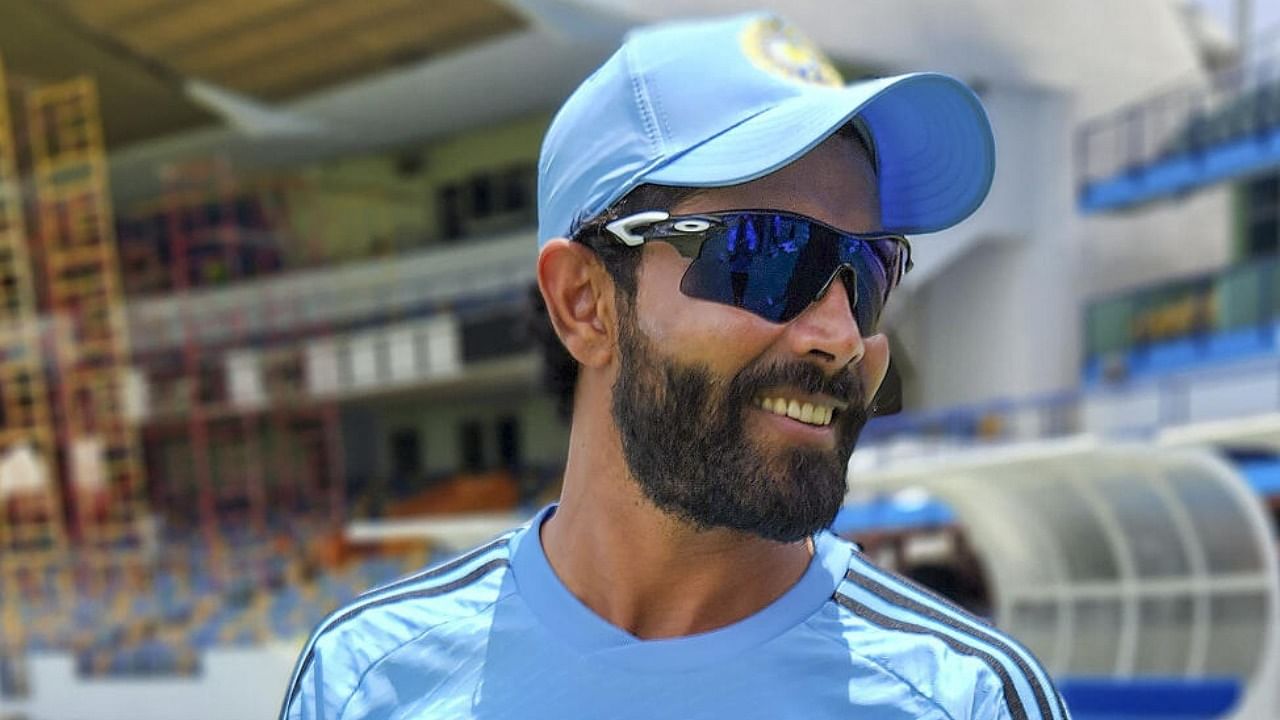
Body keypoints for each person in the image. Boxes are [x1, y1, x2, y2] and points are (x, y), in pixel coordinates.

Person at [280, 12, 1068, 720]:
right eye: (764, 254)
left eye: (865, 273)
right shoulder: (364, 680)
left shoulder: (970, 699)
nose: (840, 335)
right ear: (586, 303)